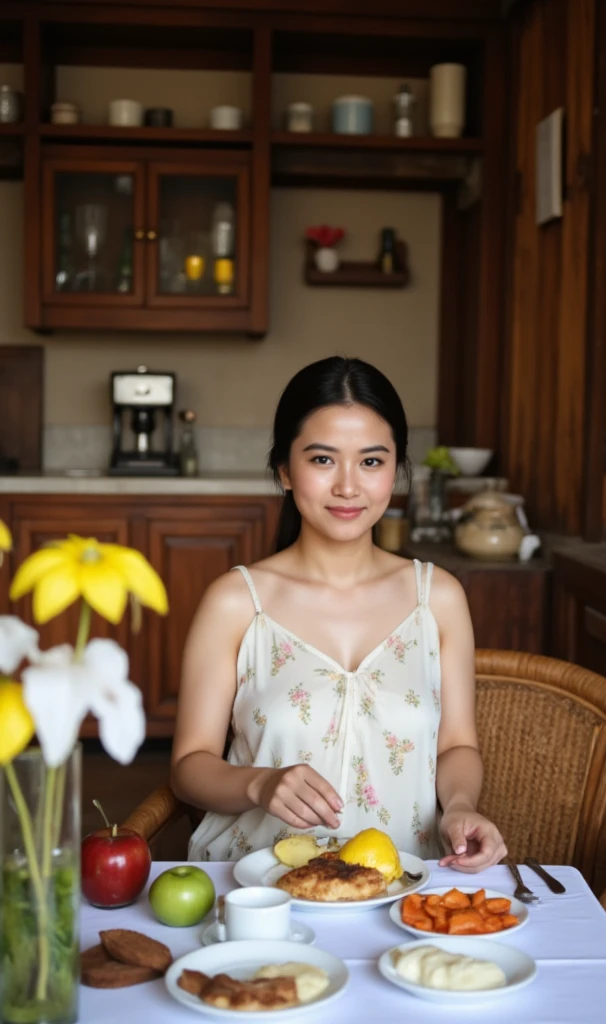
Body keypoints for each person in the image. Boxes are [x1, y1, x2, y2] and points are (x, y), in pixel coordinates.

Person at [171, 356, 506, 872]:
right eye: (323, 460)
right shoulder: (236, 602)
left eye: (371, 462)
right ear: (284, 470)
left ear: (396, 471)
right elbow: (190, 767)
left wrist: (459, 806)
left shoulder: (437, 598)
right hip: (257, 888)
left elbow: (457, 745)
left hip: (404, 885)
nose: (348, 486)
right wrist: (259, 783)